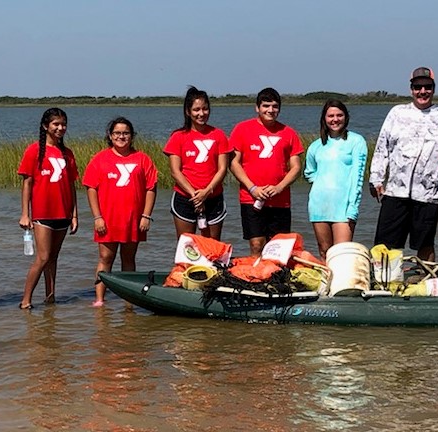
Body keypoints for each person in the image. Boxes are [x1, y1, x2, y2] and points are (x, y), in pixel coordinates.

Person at [368, 66, 438, 262]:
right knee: (385, 246)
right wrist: (376, 178)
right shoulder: (397, 113)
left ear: (433, 89)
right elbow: (383, 148)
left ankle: (426, 283)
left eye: (427, 87)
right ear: (411, 89)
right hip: (395, 192)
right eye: (418, 87)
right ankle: (385, 283)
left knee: (425, 245)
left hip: (427, 195)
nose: (422, 91)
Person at [84, 117, 157, 307]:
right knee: (105, 258)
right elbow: (91, 187)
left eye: (125, 133)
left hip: (134, 219)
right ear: (110, 135)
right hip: (107, 220)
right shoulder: (100, 159)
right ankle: (100, 299)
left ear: (132, 136)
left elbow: (151, 188)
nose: (121, 136)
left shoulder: (142, 158)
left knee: (129, 259)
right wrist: (97, 217)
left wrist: (146, 215)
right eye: (117, 133)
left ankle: (128, 301)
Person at [17, 108, 79, 309]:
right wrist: (25, 214)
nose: (60, 128)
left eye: (63, 124)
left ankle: (50, 297)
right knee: (43, 257)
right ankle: (26, 300)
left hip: (63, 213)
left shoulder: (67, 153)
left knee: (53, 258)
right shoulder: (34, 150)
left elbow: (71, 185)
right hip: (42, 213)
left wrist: (74, 215)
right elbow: (27, 183)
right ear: (46, 126)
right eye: (56, 124)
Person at [229, 87, 304, 255]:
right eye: (266, 106)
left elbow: (296, 167)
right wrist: (252, 188)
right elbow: (234, 163)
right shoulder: (242, 129)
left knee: (278, 248)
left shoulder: (289, 133)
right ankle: (257, 279)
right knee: (257, 244)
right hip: (251, 197)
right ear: (257, 108)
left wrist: (279, 187)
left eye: (275, 106)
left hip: (280, 200)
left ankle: (274, 279)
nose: (271, 110)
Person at [163, 86, 231, 240]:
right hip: (185, 198)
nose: (201, 114)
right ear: (188, 111)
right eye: (196, 109)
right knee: (187, 248)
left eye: (205, 109)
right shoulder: (178, 136)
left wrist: (206, 192)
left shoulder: (219, 135)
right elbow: (175, 171)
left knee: (212, 248)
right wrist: (195, 196)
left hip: (213, 198)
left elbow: (222, 169)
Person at [303, 99, 367, 257]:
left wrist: (353, 207)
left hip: (344, 208)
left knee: (341, 254)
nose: (335, 119)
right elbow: (309, 172)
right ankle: (326, 282)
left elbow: (357, 178)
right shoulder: (316, 146)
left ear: (346, 117)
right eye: (330, 115)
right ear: (324, 118)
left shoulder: (356, 141)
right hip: (319, 205)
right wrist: (322, 182)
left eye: (339, 115)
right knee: (324, 252)